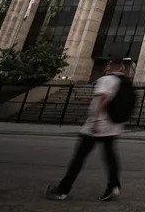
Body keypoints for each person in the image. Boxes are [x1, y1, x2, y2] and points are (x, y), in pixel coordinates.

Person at [45, 58, 126, 201]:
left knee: (79, 157)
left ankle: (62, 190)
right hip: (112, 126)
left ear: (112, 65)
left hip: (96, 126)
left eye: (109, 63)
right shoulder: (123, 82)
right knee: (110, 157)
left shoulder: (106, 80)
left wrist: (96, 121)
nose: (107, 66)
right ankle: (114, 186)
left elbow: (101, 100)